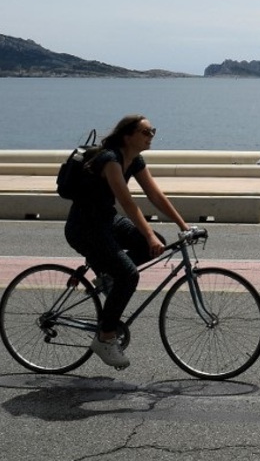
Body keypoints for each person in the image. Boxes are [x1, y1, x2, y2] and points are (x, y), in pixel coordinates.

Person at [64, 114, 191, 369]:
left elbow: (154, 194)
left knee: (156, 246)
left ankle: (108, 276)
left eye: (152, 131)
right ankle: (105, 337)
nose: (151, 136)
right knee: (129, 275)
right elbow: (128, 203)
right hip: (85, 227)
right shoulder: (109, 159)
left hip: (106, 222)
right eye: (145, 132)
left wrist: (183, 225)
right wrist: (149, 233)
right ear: (127, 136)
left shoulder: (135, 160)